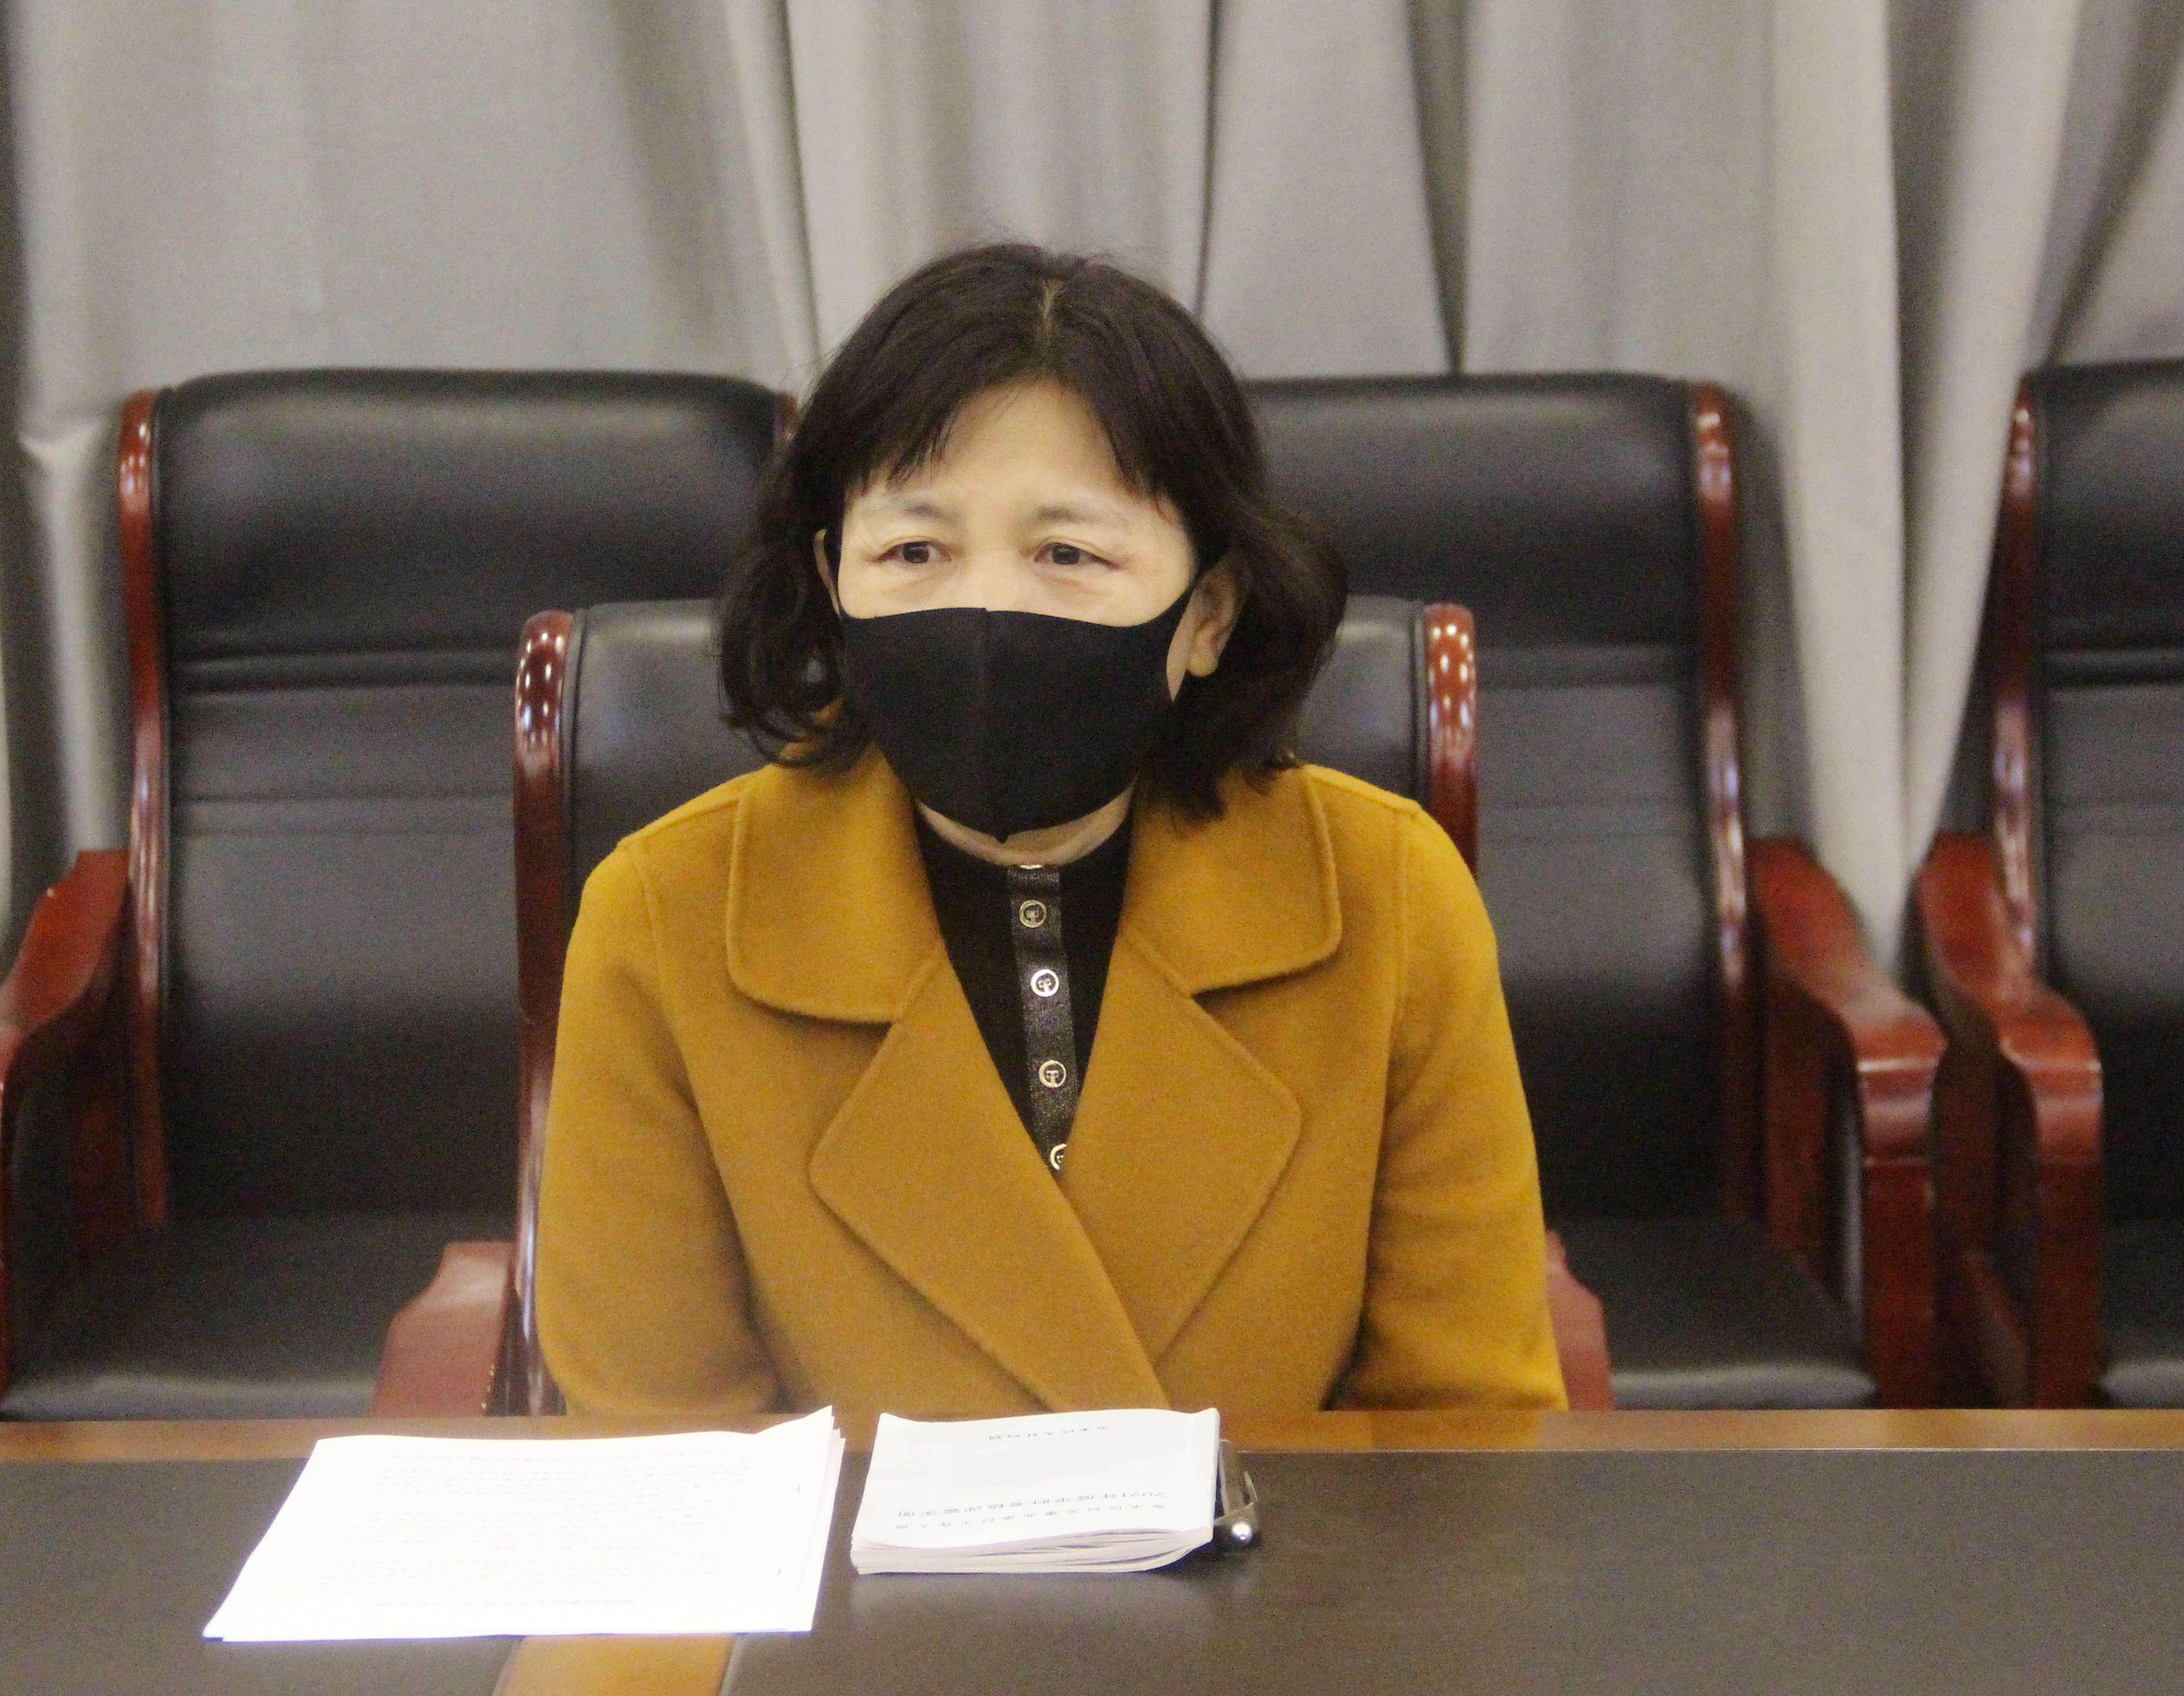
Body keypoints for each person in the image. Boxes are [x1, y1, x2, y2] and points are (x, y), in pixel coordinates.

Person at [535, 243, 1565, 1426]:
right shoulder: (665, 917)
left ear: (1208, 612)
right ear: (830, 584)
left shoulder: (1388, 895)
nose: (989, 609)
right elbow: (662, 1460)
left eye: (1067, 554)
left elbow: (1465, 1436)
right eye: (913, 551)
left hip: (1291, 1552)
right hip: (843, 1557)